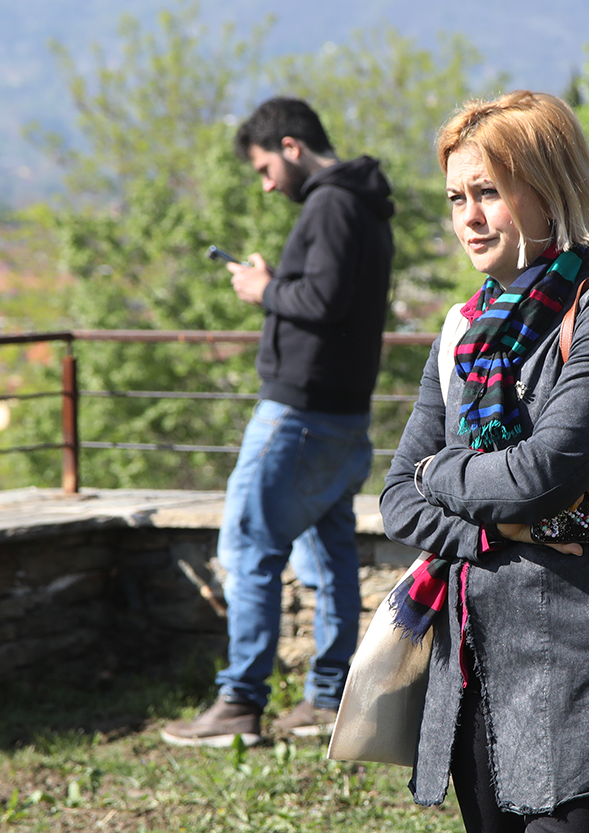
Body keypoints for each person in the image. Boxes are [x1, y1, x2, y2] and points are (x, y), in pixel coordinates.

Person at [378, 90, 589, 831]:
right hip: (474, 667)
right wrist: (497, 532)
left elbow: (540, 473)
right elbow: (396, 498)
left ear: (551, 192)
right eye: (458, 197)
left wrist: (439, 475)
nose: (470, 218)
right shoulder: (460, 331)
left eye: (489, 191)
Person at [162, 97, 395, 746]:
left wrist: (262, 290)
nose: (266, 185)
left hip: (298, 412)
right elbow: (333, 296)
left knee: (247, 549)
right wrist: (275, 280)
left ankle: (239, 702)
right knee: (329, 551)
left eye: (265, 167)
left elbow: (319, 300)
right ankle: (328, 699)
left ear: (292, 147)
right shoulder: (365, 206)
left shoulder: (330, 203)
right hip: (343, 412)